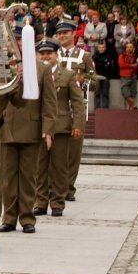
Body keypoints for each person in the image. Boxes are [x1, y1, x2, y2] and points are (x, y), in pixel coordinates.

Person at [0, 47, 56, 236]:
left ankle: (27, 218)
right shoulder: (3, 65)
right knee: (7, 178)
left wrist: (48, 129)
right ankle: (9, 218)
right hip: (7, 127)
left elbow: (49, 101)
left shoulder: (42, 69)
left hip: (31, 128)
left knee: (29, 177)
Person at [33, 38, 85, 217]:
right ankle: (40, 202)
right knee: (39, 167)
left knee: (59, 167)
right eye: (42, 54)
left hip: (61, 127)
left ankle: (57, 203)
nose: (45, 56)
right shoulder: (34, 75)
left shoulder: (68, 75)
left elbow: (77, 102)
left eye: (49, 53)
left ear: (57, 55)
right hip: (39, 126)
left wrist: (78, 125)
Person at [56, 17, 95, 202]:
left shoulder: (84, 56)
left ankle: (68, 187)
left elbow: (95, 82)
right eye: (59, 33)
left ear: (73, 34)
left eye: (65, 33)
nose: (62, 36)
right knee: (53, 151)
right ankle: (52, 187)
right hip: (55, 107)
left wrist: (83, 80)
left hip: (77, 109)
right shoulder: (51, 53)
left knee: (73, 151)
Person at [92, 42, 115, 108]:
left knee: (105, 94)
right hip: (97, 77)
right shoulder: (94, 57)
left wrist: (102, 66)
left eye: (102, 47)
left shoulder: (108, 56)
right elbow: (93, 67)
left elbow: (109, 67)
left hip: (106, 77)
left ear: (105, 48)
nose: (101, 49)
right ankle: (97, 108)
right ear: (98, 48)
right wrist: (103, 65)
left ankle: (105, 109)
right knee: (97, 93)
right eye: (100, 47)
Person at [119, 42, 138, 109]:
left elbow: (137, 68)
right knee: (125, 93)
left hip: (133, 76)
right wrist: (132, 65)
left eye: (130, 47)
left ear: (133, 48)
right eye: (128, 47)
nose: (129, 48)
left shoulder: (135, 57)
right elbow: (122, 65)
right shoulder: (122, 56)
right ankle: (133, 105)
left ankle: (130, 109)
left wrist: (137, 63)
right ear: (125, 48)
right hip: (125, 76)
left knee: (133, 93)